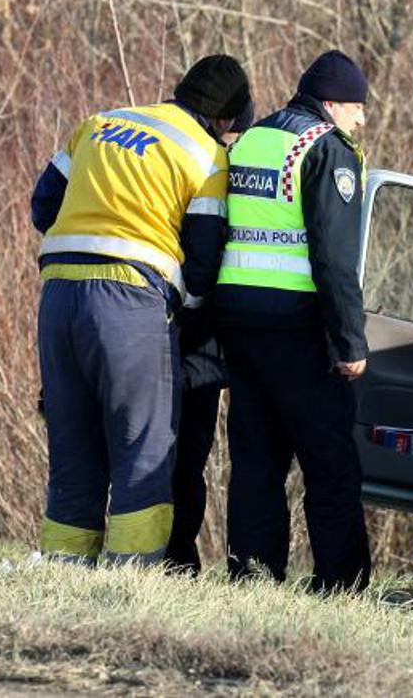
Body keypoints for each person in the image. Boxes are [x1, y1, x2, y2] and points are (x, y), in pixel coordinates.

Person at [30, 55, 250, 564]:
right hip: (131, 300)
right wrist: (183, 308)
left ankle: (65, 570)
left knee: (73, 443)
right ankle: (133, 578)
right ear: (225, 120)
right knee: (144, 448)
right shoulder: (206, 156)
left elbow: (44, 206)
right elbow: (202, 263)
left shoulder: (99, 123)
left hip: (59, 293)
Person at [215, 50, 372, 594]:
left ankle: (252, 576)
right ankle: (341, 584)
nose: (361, 120)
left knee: (256, 460)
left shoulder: (252, 139)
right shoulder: (326, 149)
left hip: (238, 319)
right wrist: (350, 340)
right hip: (300, 327)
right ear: (331, 105)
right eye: (356, 108)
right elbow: (334, 258)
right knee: (330, 462)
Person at [165, 100, 254, 575]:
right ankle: (173, 555)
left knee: (186, 454)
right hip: (182, 334)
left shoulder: (214, 170)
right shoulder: (201, 165)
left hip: (193, 342)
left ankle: (177, 556)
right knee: (176, 453)